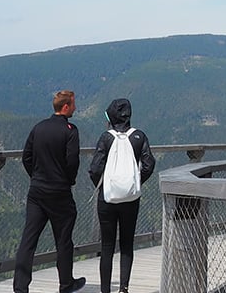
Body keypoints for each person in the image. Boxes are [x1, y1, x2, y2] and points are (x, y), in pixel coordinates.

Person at [14, 91, 86, 293]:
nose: (75, 108)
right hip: (59, 192)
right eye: (73, 104)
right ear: (66, 107)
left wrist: (36, 176)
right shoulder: (70, 131)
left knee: (28, 241)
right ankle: (66, 284)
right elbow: (72, 161)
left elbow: (26, 157)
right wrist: (68, 180)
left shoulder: (38, 128)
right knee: (63, 240)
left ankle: (20, 288)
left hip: (36, 192)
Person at [89, 98, 156, 293]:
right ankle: (124, 288)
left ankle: (105, 290)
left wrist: (104, 186)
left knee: (107, 245)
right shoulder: (139, 136)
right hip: (130, 199)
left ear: (111, 116)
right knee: (127, 244)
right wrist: (135, 182)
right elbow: (149, 164)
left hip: (107, 199)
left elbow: (95, 168)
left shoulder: (106, 138)